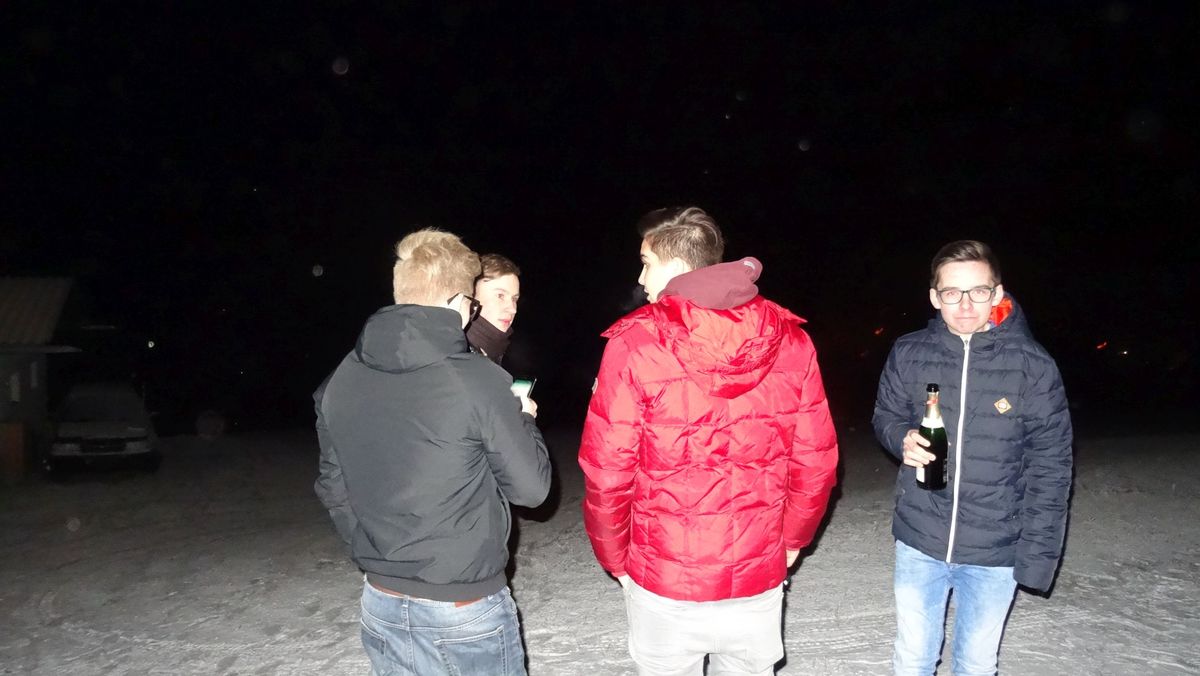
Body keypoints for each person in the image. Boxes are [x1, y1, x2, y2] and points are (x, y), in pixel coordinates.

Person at [579, 206, 839, 675]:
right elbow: (815, 462)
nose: (641, 278)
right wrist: (792, 542)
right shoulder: (791, 341)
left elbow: (607, 471)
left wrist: (615, 558)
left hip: (665, 585)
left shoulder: (635, 343)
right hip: (755, 581)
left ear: (677, 266)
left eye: (646, 263)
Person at [313, 228, 552, 676]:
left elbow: (333, 484)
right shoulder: (478, 379)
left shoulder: (339, 379)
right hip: (462, 605)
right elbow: (532, 490)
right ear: (460, 301)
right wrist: (523, 418)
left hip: (381, 599)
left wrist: (375, 550)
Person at [872, 240, 1073, 675]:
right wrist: (900, 437)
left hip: (995, 549)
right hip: (920, 538)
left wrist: (1038, 559)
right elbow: (885, 415)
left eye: (978, 291)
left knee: (976, 663)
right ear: (934, 297)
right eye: (952, 292)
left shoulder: (1033, 366)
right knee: (912, 658)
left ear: (997, 293)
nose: (965, 305)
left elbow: (1051, 468)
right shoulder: (909, 352)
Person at [467, 253, 521, 365]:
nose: (513, 309)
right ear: (471, 296)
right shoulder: (453, 353)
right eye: (500, 295)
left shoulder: (499, 354)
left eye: (514, 299)